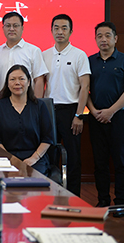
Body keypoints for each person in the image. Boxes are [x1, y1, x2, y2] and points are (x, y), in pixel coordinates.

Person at [87, 21, 124, 213]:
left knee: (120, 161)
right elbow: (84, 90)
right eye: (99, 36)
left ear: (115, 38)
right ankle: (103, 201)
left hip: (119, 118)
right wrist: (93, 111)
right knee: (100, 162)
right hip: (96, 118)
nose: (103, 39)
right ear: (95, 39)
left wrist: (111, 111)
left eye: (107, 35)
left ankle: (121, 203)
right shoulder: (90, 61)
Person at [42, 14, 90, 196]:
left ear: (71, 31)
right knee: (49, 154)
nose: (60, 31)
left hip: (71, 111)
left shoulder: (79, 55)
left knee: (73, 156)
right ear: (51, 30)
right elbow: (40, 83)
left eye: (64, 28)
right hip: (49, 111)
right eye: (56, 28)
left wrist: (79, 115)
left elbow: (85, 87)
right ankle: (51, 195)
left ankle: (73, 196)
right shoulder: (45, 55)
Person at [0, 65, 54, 175]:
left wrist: (33, 158)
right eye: (12, 79)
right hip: (7, 158)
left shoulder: (39, 106)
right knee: (5, 180)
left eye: (21, 79)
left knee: (34, 179)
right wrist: (9, 158)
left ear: (29, 82)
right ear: (7, 83)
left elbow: (47, 138)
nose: (17, 83)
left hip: (35, 157)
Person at [0, 12, 48, 98]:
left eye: (15, 26)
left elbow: (39, 79)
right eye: (8, 26)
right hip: (2, 101)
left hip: (27, 101)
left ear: (22, 28)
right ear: (3, 28)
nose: (11, 29)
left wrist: (37, 103)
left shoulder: (33, 51)